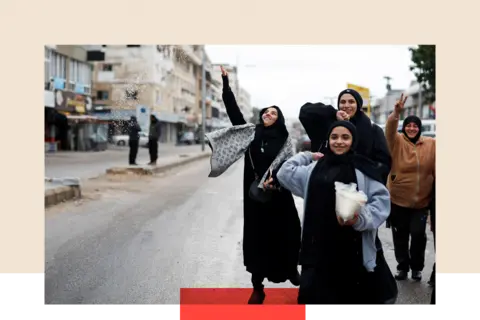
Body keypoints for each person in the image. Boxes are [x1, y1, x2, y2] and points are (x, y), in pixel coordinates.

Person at [205, 66, 301, 304]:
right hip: (256, 197)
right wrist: (226, 84)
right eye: (265, 112)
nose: (268, 114)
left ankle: (290, 269)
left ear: (279, 118)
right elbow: (233, 111)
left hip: (280, 196)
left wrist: (276, 181)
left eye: (273, 113)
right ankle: (257, 287)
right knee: (258, 240)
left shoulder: (287, 141)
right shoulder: (251, 133)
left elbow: (290, 165)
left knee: (289, 232)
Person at [276, 121, 396, 311]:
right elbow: (284, 173)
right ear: (328, 140)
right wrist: (307, 155)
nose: (339, 141)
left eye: (345, 137)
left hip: (351, 254)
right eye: (334, 137)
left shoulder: (363, 170)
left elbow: (381, 202)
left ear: (353, 141)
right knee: (317, 304)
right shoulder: (313, 170)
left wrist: (359, 218)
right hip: (317, 252)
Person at [385, 94, 436, 282]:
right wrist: (396, 113)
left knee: (418, 235)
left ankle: (416, 268)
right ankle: (402, 267)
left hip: (422, 202)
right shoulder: (396, 141)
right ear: (404, 127)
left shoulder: (431, 144)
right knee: (400, 236)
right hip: (398, 200)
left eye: (415, 125)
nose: (412, 128)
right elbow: (390, 129)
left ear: (419, 128)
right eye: (408, 125)